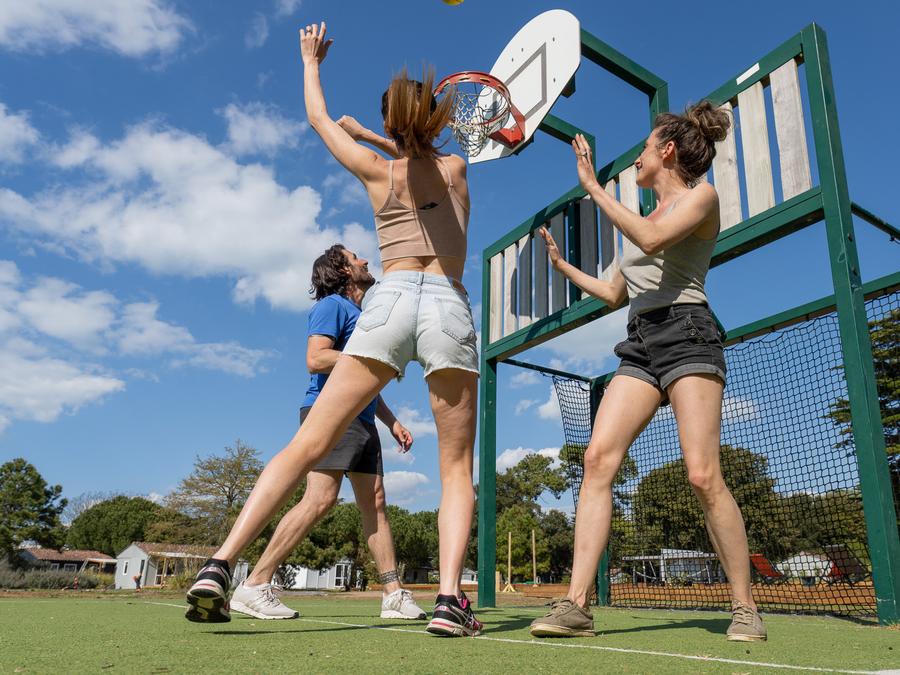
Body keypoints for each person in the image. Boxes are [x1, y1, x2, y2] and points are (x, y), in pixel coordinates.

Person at [186, 22, 482, 637]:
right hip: (446, 304)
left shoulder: (378, 172)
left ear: (392, 129)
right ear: (432, 122)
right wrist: (384, 132)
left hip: (391, 300)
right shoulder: (455, 169)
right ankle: (452, 604)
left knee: (305, 447)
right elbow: (419, 152)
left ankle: (221, 565)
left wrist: (310, 61)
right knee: (455, 468)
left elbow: (319, 119)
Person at [528, 103, 766, 642]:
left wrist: (593, 187)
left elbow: (656, 243)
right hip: (640, 343)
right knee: (596, 460)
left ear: (667, 152)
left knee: (703, 475)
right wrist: (564, 267)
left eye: (642, 149)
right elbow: (615, 292)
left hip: (688, 332)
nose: (635, 159)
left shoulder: (700, 198)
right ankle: (576, 605)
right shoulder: (640, 221)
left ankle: (745, 607)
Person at [227, 244, 425, 622]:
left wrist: (392, 421)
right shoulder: (332, 305)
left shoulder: (361, 315)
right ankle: (255, 583)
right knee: (320, 499)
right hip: (331, 412)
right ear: (343, 270)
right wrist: (374, 362)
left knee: (376, 502)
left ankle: (393, 594)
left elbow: (360, 379)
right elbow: (316, 358)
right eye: (356, 257)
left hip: (363, 417)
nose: (366, 260)